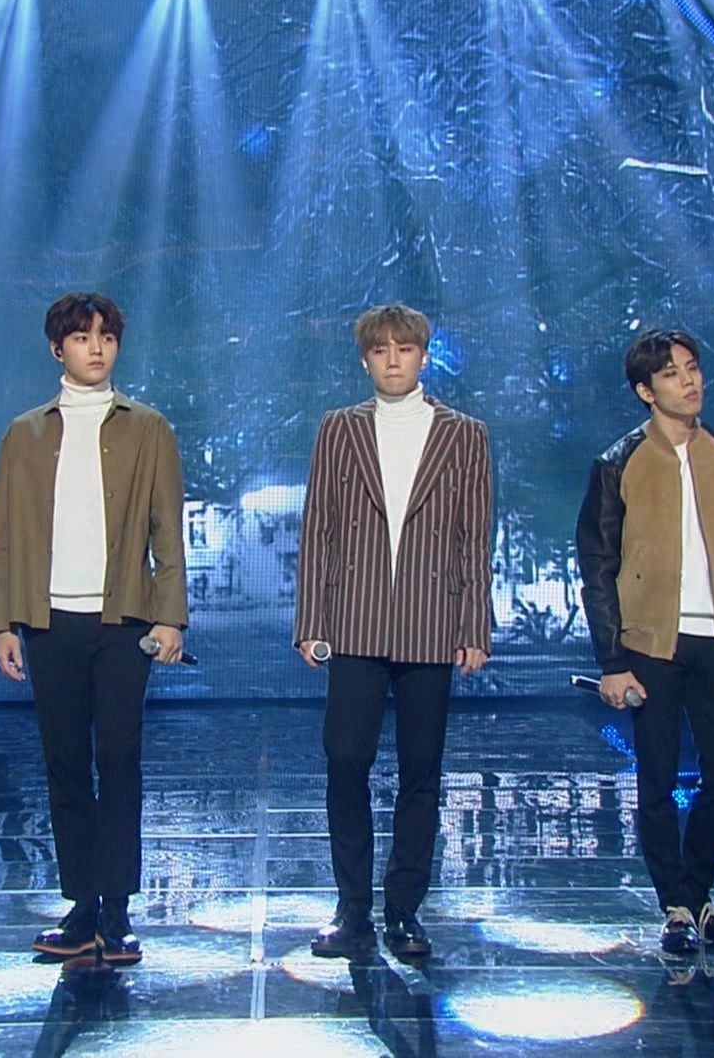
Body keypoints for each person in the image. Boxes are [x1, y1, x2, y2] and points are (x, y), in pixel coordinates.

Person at [0, 291, 189, 966]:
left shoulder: (148, 428)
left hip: (123, 620)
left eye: (106, 337)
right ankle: (82, 905)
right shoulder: (25, 433)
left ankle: (118, 909)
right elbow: (4, 534)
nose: (96, 348)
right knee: (65, 762)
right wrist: (3, 623)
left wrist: (170, 615)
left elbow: (166, 528)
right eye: (81, 337)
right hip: (48, 622)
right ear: (57, 348)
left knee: (119, 759)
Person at [294, 303, 493, 961]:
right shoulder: (339, 429)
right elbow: (319, 528)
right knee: (345, 760)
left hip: (431, 621)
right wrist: (311, 621)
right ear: (365, 360)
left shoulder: (464, 435)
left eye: (404, 349)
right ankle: (352, 908)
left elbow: (473, 538)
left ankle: (404, 909)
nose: (393, 360)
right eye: (380, 350)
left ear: (423, 356)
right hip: (355, 621)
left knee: (421, 770)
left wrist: (474, 625)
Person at [575, 327, 714, 956]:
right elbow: (597, 564)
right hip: (650, 643)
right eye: (671, 374)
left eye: (692, 368)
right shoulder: (619, 462)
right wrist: (611, 659)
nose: (688, 382)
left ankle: (696, 894)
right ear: (645, 391)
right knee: (656, 779)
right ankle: (678, 907)